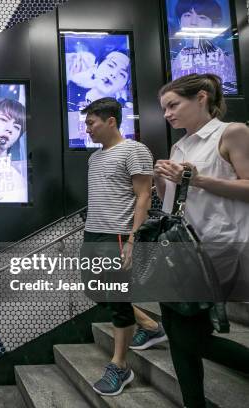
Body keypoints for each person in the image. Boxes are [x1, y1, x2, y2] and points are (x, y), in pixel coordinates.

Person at [155, 73, 249, 407]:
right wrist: (161, 179)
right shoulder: (179, 145)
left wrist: (198, 179)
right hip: (185, 250)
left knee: (189, 336)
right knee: (177, 332)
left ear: (202, 97)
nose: (167, 114)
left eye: (173, 105)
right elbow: (171, 204)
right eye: (164, 108)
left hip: (224, 245)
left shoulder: (232, 132)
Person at [79, 98, 163, 396]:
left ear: (111, 121)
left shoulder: (135, 150)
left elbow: (143, 197)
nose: (87, 128)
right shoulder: (95, 158)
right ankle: (150, 325)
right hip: (94, 233)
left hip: (117, 235)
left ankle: (120, 364)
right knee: (94, 289)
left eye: (91, 122)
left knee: (116, 299)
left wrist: (132, 239)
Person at [169, 0, 236, 93]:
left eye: (202, 17)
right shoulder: (172, 58)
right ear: (179, 21)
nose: (193, 22)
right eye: (187, 15)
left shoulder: (228, 58)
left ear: (214, 25)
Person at [67, 48, 133, 110]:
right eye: (110, 65)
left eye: (122, 74)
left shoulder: (123, 109)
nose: (114, 74)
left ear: (124, 86)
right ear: (96, 66)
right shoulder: (69, 98)